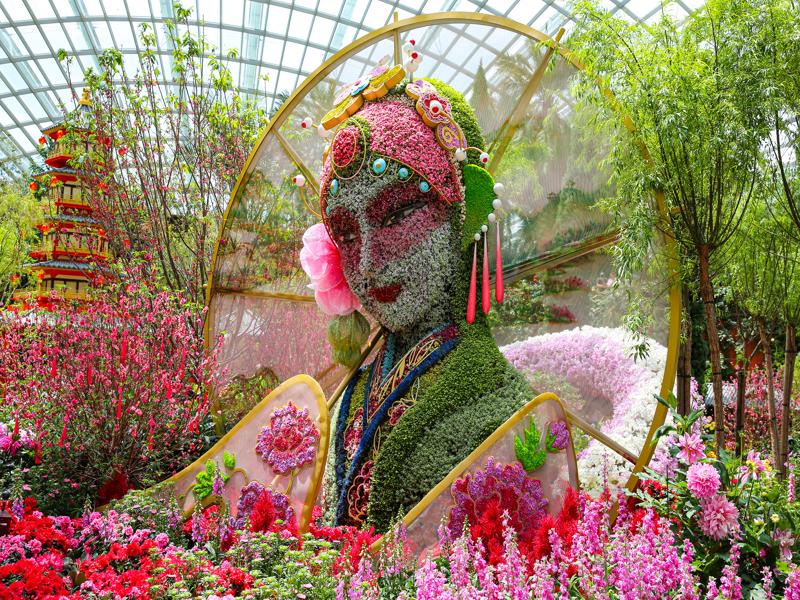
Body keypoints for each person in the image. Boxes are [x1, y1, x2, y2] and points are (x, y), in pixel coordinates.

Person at [299, 65, 562, 532]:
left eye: (397, 212)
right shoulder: (361, 382)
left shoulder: (502, 401)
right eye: (346, 235)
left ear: (463, 211)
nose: (368, 263)